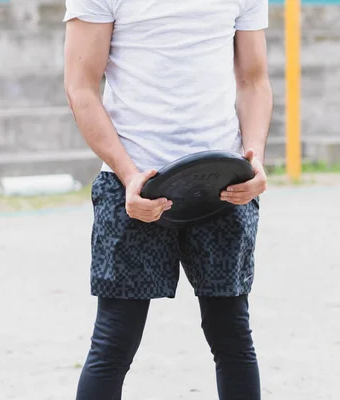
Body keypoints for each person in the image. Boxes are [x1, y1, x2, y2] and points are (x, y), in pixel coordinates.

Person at [62, 0, 272, 399]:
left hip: (222, 182)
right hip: (136, 183)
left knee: (232, 336)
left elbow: (254, 81)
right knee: (113, 341)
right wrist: (128, 176)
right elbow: (80, 86)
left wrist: (254, 158)